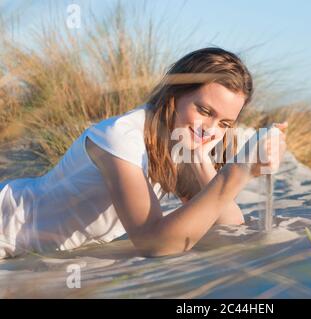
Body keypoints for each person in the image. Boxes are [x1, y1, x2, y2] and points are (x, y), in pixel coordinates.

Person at [0, 47, 287, 259]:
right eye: (203, 111)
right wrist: (237, 173)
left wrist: (200, 158)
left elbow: (228, 224)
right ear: (173, 96)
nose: (211, 129)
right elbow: (154, 243)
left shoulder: (180, 141)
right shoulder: (120, 137)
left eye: (224, 123)